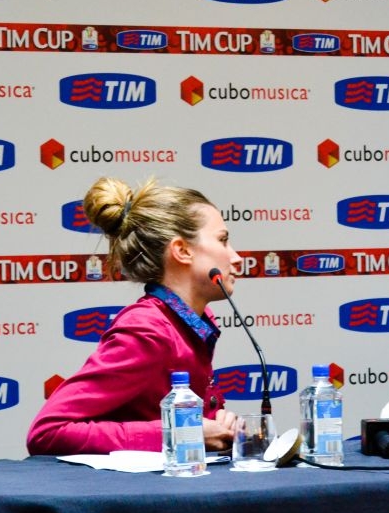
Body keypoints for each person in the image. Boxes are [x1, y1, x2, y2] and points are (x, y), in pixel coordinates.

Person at [26, 176, 241, 455]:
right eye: (223, 240)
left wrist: (216, 424)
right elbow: (47, 432)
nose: (236, 257)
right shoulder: (147, 329)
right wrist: (178, 432)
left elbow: (155, 410)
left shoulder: (192, 322)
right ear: (182, 251)